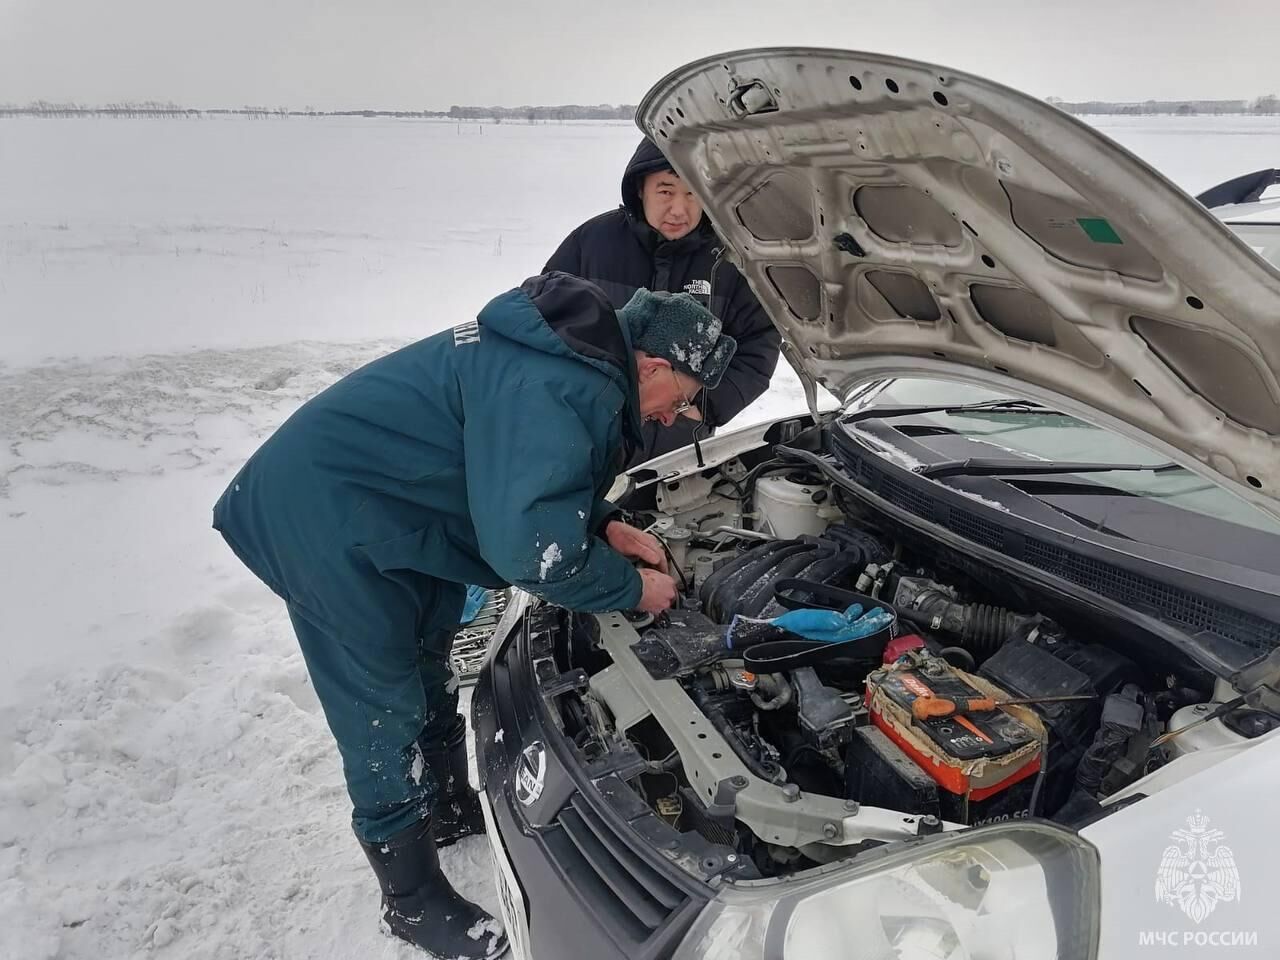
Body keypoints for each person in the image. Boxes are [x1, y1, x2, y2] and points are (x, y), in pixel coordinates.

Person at [211, 272, 735, 958]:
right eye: (685, 400)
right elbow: (531, 552)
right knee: (381, 703)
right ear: (655, 363)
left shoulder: (573, 364)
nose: (676, 418)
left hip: (393, 509)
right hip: (321, 514)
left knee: (428, 652)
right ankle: (412, 901)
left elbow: (521, 475)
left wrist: (605, 525)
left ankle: (449, 801)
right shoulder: (561, 382)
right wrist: (633, 591)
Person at [545, 136, 781, 464]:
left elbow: (759, 344)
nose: (679, 209)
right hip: (589, 440)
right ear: (640, 188)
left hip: (680, 451)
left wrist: (704, 406)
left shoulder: (730, 260)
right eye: (666, 191)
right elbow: (548, 324)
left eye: (692, 193)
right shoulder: (593, 243)